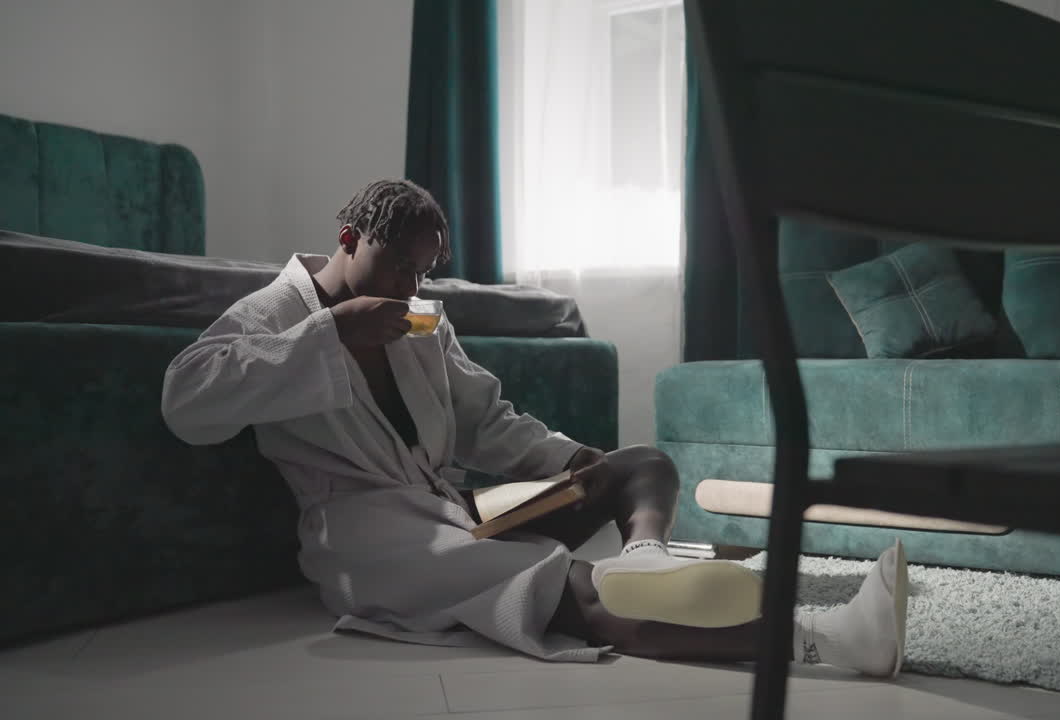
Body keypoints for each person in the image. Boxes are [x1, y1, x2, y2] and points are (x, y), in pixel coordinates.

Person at [161, 178, 907, 674]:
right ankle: (828, 642)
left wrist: (571, 462)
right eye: (398, 268)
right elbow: (186, 403)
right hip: (373, 541)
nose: (411, 288)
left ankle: (644, 557)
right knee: (580, 594)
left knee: (640, 465)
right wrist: (332, 335)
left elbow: (485, 420)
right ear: (351, 237)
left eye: (423, 272)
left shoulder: (421, 318)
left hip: (458, 512)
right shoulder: (274, 316)